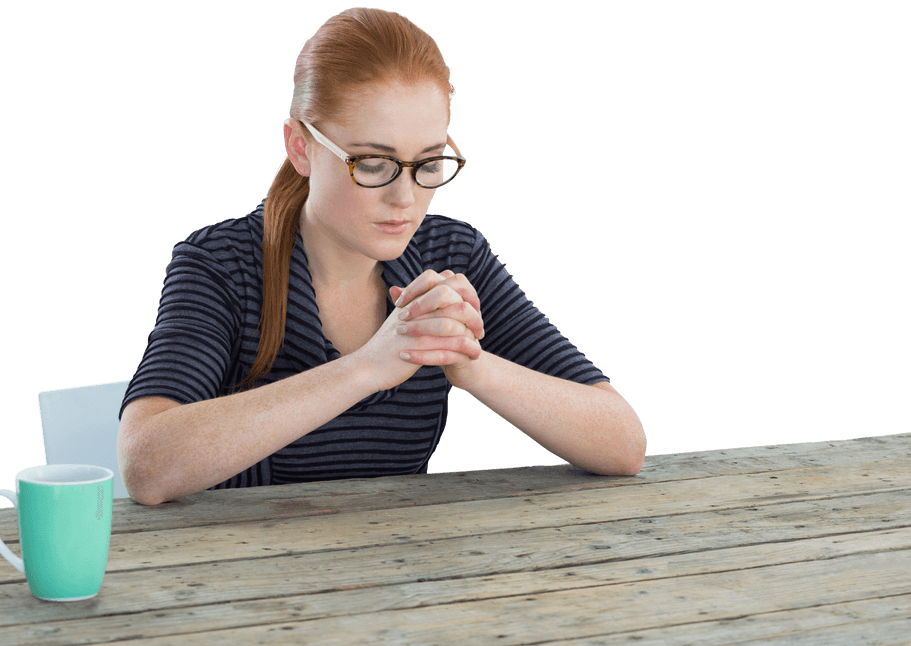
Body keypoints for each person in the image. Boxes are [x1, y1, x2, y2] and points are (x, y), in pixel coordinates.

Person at [117, 7, 646, 506]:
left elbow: (623, 443)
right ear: (301, 147)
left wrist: (472, 365)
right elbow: (146, 466)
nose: (405, 198)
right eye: (373, 164)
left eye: (429, 162)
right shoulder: (219, 265)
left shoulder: (451, 253)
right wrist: (367, 367)